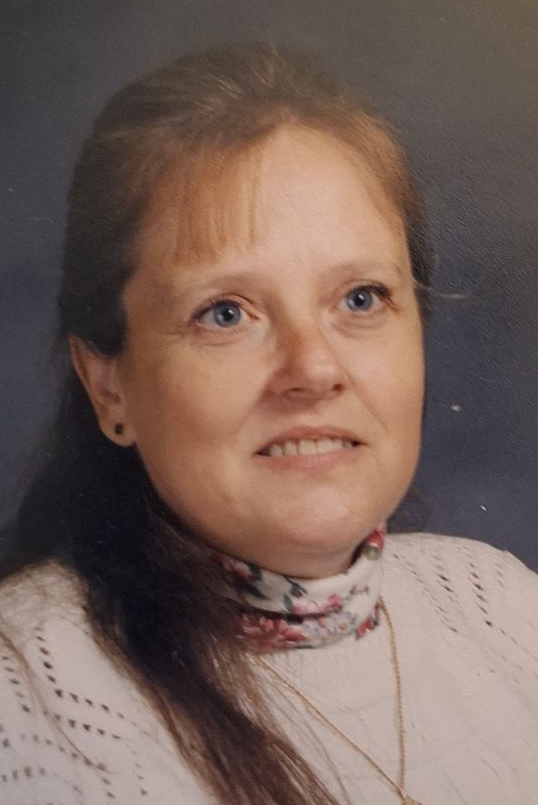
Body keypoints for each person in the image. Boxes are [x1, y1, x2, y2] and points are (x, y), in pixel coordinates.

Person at [0, 42, 537, 805]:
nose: (313, 369)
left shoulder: (504, 607)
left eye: (360, 298)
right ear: (108, 385)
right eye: (225, 312)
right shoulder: (24, 706)